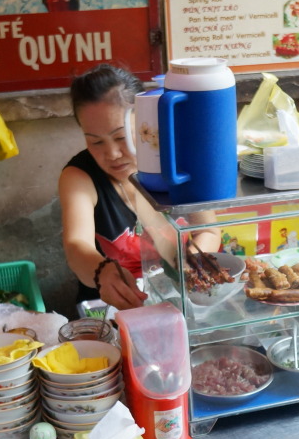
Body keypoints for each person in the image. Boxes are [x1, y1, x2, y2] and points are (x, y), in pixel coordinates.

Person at [58, 65, 219, 313]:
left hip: (186, 295)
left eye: (122, 137)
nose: (111, 154)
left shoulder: (179, 162)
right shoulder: (79, 177)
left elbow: (208, 231)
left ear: (147, 121)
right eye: (95, 141)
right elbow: (76, 246)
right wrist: (103, 272)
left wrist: (190, 266)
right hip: (115, 304)